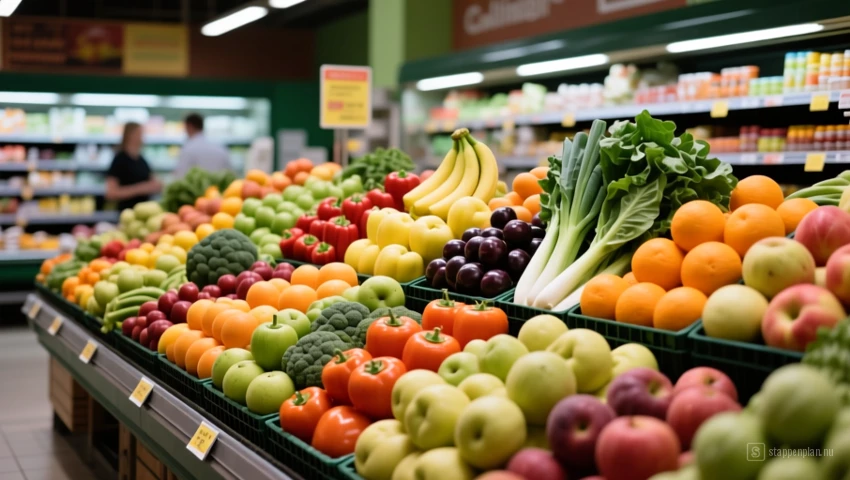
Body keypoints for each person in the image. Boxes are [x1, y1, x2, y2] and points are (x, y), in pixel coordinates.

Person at [105, 122, 162, 210]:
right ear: (130, 135)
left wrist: (157, 185)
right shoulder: (120, 159)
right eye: (139, 134)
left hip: (145, 211)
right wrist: (141, 188)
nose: (142, 137)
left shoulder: (142, 159)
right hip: (127, 212)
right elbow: (111, 193)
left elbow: (152, 181)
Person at [173, 113, 231, 178]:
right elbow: (230, 174)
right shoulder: (220, 148)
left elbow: (179, 175)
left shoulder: (188, 149)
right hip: (219, 188)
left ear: (189, 126)